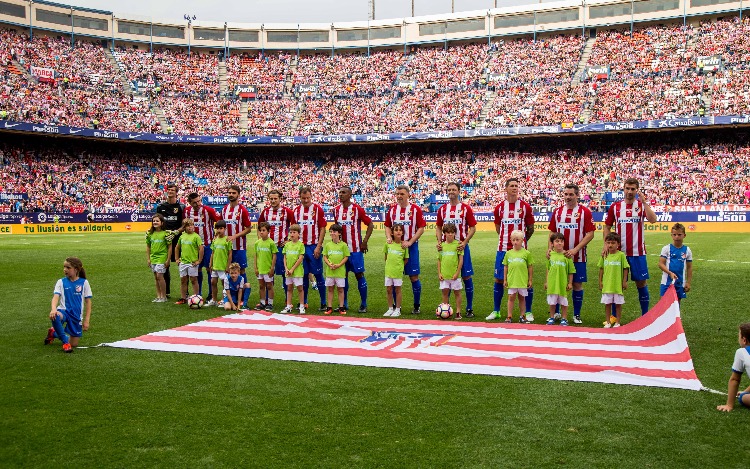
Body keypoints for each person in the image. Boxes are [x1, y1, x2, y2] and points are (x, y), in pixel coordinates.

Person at [603, 178, 656, 315]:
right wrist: (605, 244)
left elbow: (653, 220)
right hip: (619, 254)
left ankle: (645, 315)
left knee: (641, 283)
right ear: (623, 189)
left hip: (638, 252)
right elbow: (607, 227)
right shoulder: (615, 207)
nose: (630, 191)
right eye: (627, 188)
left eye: (633, 189)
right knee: (615, 285)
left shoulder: (640, 205)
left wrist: (644, 202)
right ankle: (614, 317)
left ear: (636, 190)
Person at [548, 183, 596, 324]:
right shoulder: (557, 212)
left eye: (571, 194)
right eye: (566, 194)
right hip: (559, 256)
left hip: (578, 256)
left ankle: (576, 314)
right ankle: (556, 313)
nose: (568, 197)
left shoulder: (584, 212)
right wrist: (550, 247)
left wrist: (575, 249)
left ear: (577, 195)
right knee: (557, 283)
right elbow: (552, 231)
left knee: (576, 285)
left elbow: (590, 233)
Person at [491, 178, 535, 321]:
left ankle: (528, 312)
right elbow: (498, 228)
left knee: (525, 281)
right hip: (503, 249)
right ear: (506, 188)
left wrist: (521, 242)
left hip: (521, 251)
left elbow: (530, 228)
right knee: (499, 280)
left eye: (516, 186)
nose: (514, 188)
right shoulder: (499, 208)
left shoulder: (525, 207)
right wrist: (509, 241)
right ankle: (496, 310)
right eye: (511, 186)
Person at [436, 182, 477, 317]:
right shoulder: (442, 209)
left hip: (461, 247)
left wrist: (464, 242)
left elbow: (473, 228)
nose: (451, 191)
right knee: (446, 278)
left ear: (459, 191)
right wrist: (439, 241)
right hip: (447, 249)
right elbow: (438, 227)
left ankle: (469, 308)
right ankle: (447, 308)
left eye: (454, 189)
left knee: (466, 276)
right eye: (449, 190)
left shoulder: (465, 208)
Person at [384, 185, 426, 314]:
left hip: (411, 247)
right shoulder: (392, 210)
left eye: (402, 194)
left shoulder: (415, 210)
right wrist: (388, 238)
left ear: (408, 195)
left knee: (413, 277)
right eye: (397, 194)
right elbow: (387, 226)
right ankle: (397, 307)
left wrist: (410, 242)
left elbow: (421, 228)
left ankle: (416, 306)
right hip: (395, 250)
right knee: (394, 277)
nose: (399, 196)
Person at [332, 186, 373, 313]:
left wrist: (364, 242)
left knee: (359, 275)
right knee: (342, 277)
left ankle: (364, 304)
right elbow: (336, 230)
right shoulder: (336, 210)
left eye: (344, 192)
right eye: (340, 193)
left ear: (350, 195)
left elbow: (370, 224)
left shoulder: (357, 209)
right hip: (341, 250)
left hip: (355, 249)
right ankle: (343, 304)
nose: (341, 195)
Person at [44, 257, 92, 353]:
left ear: (76, 269)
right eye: (64, 267)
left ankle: (53, 333)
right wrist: (53, 309)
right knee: (56, 316)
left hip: (76, 315)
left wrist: (86, 320)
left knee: (74, 344)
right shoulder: (61, 282)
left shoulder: (84, 283)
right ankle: (65, 343)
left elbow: (88, 302)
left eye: (68, 267)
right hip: (64, 311)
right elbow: (55, 297)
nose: (65, 269)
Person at [293, 186, 328, 311]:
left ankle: (323, 303)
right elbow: (293, 230)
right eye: (303, 198)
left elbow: (323, 228)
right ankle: (304, 302)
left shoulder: (317, 209)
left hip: (314, 246)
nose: (306, 200)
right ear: (300, 198)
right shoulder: (296, 211)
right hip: (301, 247)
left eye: (308, 198)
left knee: (318, 274)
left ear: (311, 197)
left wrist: (319, 246)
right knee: (304, 275)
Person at [258, 189, 296, 296]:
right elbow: (260, 227)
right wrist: (260, 240)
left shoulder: (287, 212)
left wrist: (288, 240)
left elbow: (295, 227)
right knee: (268, 274)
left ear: (280, 199)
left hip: (280, 247)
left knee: (285, 274)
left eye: (275, 199)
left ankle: (287, 300)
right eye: (271, 199)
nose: (273, 201)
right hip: (268, 248)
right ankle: (267, 299)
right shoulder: (265, 212)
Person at [185, 192, 221, 302]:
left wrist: (216, 236)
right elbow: (185, 225)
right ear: (190, 203)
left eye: (199, 201)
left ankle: (211, 294)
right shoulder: (187, 211)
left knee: (209, 269)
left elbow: (220, 223)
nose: (198, 204)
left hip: (208, 244)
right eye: (194, 203)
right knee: (197, 269)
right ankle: (198, 294)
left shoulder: (208, 210)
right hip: (194, 247)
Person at [222, 185, 253, 308]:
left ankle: (243, 298)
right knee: (227, 271)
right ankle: (229, 296)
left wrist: (235, 236)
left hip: (239, 247)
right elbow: (221, 226)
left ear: (238, 195)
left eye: (233, 193)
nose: (231, 194)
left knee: (241, 271)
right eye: (229, 192)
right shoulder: (224, 209)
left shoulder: (242, 210)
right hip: (227, 248)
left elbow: (249, 228)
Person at [498, 230, 533, 323]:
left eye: (517, 240)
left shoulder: (526, 253)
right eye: (513, 240)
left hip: (522, 280)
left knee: (522, 297)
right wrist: (505, 279)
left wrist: (530, 279)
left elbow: (530, 266)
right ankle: (509, 316)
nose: (515, 242)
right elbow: (505, 266)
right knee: (511, 297)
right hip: (512, 279)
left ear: (522, 240)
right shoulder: (508, 253)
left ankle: (522, 315)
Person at [156, 184, 184, 298]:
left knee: (182, 265)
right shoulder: (161, 206)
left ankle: (185, 293)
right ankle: (166, 292)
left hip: (178, 239)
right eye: (169, 190)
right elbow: (157, 222)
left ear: (176, 192)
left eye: (172, 190)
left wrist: (176, 232)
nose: (170, 191)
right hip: (165, 239)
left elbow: (184, 224)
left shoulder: (181, 207)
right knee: (165, 266)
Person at [598, 233, 630, 328]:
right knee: (607, 304)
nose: (610, 245)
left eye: (613, 243)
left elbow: (625, 268)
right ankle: (608, 322)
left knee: (618, 304)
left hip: (617, 285)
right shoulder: (605, 255)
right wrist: (600, 281)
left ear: (618, 244)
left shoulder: (621, 255)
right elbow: (601, 268)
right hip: (607, 285)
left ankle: (617, 322)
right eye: (608, 243)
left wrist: (624, 281)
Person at [717, 323, 750, 412]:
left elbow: (735, 379)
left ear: (744, 340)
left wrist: (729, 405)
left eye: (738, 336)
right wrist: (746, 391)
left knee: (743, 398)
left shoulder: (742, 352)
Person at [545, 232, 576, 326]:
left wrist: (570, 283)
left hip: (562, 283)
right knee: (552, 302)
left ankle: (564, 318)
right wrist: (546, 281)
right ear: (552, 243)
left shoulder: (567, 256)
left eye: (561, 241)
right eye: (557, 241)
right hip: (552, 283)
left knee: (563, 301)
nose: (559, 243)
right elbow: (548, 269)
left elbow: (571, 271)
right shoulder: (550, 255)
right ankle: (551, 317)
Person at [658, 223, 693, 304]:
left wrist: (688, 282)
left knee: (677, 304)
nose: (676, 237)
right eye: (674, 234)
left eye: (679, 234)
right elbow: (660, 264)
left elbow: (689, 267)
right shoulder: (666, 248)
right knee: (663, 303)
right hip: (667, 281)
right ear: (671, 235)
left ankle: (676, 317)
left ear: (684, 235)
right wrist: (670, 273)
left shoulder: (687, 250)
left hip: (680, 282)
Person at [437, 223, 463, 320]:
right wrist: (439, 273)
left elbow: (461, 260)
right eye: (448, 233)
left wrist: (457, 273)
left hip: (454, 275)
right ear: (444, 234)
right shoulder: (441, 246)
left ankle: (458, 312)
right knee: (445, 293)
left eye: (452, 232)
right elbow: (439, 260)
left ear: (455, 233)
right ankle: (445, 310)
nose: (450, 234)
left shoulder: (458, 245)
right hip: (444, 275)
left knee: (457, 293)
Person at [174, 219, 204, 304]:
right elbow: (177, 247)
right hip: (183, 262)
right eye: (188, 225)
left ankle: (196, 297)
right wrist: (177, 258)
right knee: (183, 280)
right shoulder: (182, 236)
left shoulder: (196, 236)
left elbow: (201, 248)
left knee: (193, 280)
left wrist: (199, 260)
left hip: (192, 263)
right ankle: (183, 298)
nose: (190, 227)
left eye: (191, 225)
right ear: (184, 227)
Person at [323, 223, 350, 315]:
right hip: (330, 271)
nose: (332, 233)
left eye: (334, 231)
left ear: (339, 233)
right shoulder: (328, 245)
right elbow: (325, 256)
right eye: (330, 232)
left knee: (340, 289)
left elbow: (346, 257)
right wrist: (329, 264)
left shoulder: (343, 245)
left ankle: (341, 307)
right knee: (330, 289)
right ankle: (329, 307)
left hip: (340, 271)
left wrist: (339, 265)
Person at [383, 224, 409, 317]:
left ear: (402, 233)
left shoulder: (403, 246)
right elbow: (386, 257)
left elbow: (406, 259)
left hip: (398, 271)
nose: (398, 231)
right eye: (396, 230)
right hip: (388, 271)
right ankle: (390, 308)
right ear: (392, 233)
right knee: (389, 290)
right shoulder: (388, 244)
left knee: (398, 290)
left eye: (400, 230)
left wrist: (400, 267)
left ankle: (398, 309)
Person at [145, 213, 172, 303]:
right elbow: (148, 246)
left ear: (162, 223)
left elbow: (170, 247)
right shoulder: (150, 234)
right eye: (154, 221)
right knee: (156, 277)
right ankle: (158, 296)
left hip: (162, 258)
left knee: (160, 276)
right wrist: (148, 259)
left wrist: (168, 259)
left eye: (157, 221)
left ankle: (164, 296)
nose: (155, 222)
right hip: (153, 258)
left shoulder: (166, 233)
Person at [281, 224, 306, 314]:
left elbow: (300, 258)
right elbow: (284, 257)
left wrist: (292, 269)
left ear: (298, 234)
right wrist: (286, 268)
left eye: (294, 232)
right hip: (288, 272)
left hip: (297, 272)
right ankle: (288, 306)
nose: (292, 234)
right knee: (289, 288)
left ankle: (302, 306)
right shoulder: (287, 245)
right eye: (290, 232)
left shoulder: (301, 245)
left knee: (300, 288)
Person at [254, 221, 278, 312]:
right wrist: (255, 267)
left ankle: (270, 303)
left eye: (264, 230)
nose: (261, 232)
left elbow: (274, 255)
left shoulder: (271, 243)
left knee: (269, 286)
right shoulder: (257, 243)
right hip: (260, 269)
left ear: (268, 231)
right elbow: (256, 256)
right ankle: (262, 303)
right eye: (260, 230)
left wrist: (272, 268)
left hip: (268, 269)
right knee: (261, 286)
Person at [209, 220, 233, 308]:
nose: (219, 230)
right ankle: (214, 300)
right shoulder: (215, 240)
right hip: (215, 266)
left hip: (223, 266)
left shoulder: (227, 240)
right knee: (213, 282)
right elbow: (213, 252)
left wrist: (228, 266)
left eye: (221, 228)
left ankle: (224, 300)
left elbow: (230, 254)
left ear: (225, 229)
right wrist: (210, 263)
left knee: (224, 283)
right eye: (217, 228)